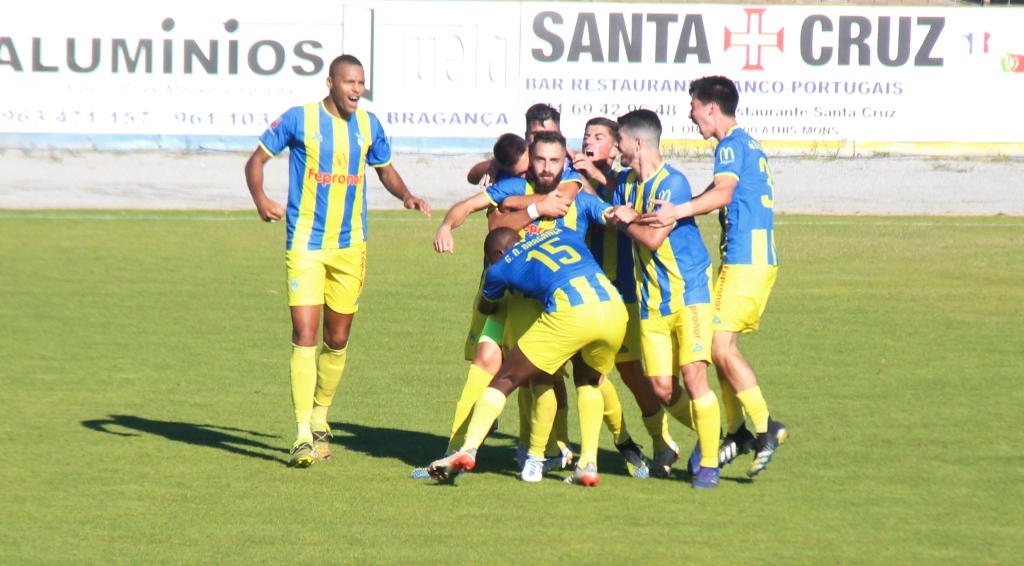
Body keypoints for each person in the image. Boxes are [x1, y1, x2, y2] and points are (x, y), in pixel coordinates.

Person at [244, 54, 431, 468]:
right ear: (330, 82)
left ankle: (320, 417)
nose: (356, 90)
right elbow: (255, 161)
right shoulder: (299, 119)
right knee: (304, 334)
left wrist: (407, 196)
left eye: (361, 83)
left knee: (338, 338)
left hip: (352, 247)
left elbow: (385, 170)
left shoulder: (369, 125)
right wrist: (261, 199)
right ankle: (300, 435)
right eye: (349, 82)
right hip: (306, 244)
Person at [638, 75, 788, 477]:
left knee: (718, 347)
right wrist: (687, 203)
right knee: (717, 347)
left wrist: (676, 211)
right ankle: (737, 432)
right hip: (754, 258)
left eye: (693, 106)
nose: (690, 115)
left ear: (710, 108)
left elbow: (722, 195)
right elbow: (723, 190)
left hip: (746, 259)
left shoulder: (728, 146)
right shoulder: (746, 145)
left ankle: (763, 427)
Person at [426, 226, 628, 487]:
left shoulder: (502, 266)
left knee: (505, 378)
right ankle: (588, 463)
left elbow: (486, 305)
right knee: (588, 380)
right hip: (613, 308)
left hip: (572, 312)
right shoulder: (564, 232)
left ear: (497, 253)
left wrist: (497, 278)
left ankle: (469, 448)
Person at [604, 109, 722, 489]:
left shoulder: (673, 184)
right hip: (652, 302)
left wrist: (626, 220)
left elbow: (653, 237)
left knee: (694, 376)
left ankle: (708, 464)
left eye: (619, 140)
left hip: (689, 294)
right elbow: (622, 217)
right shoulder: (625, 185)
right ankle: (714, 436)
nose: (617, 147)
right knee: (663, 389)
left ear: (637, 143)